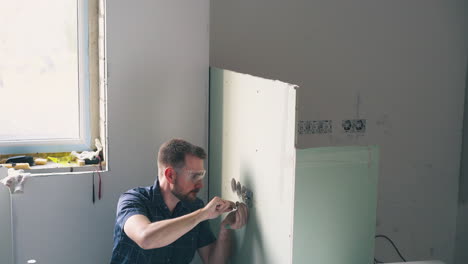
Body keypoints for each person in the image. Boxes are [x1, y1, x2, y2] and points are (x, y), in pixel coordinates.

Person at [110, 138, 248, 264]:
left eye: (201, 177)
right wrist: (202, 214)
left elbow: (212, 260)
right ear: (170, 175)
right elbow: (145, 238)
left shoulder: (194, 207)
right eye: (194, 177)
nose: (200, 185)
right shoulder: (133, 200)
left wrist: (224, 230)